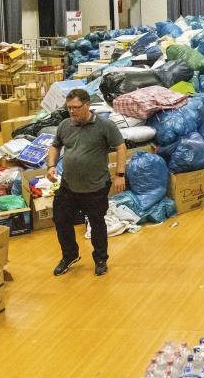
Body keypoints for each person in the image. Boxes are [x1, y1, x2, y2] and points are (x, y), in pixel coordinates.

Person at [47, 89, 126, 277]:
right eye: (69, 108)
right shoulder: (65, 125)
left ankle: (100, 259)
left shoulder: (105, 126)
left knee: (97, 223)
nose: (72, 112)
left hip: (95, 187)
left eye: (76, 107)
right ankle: (69, 256)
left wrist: (120, 174)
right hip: (68, 186)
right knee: (61, 220)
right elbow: (55, 145)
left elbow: (120, 147)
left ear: (87, 105)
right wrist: (51, 165)